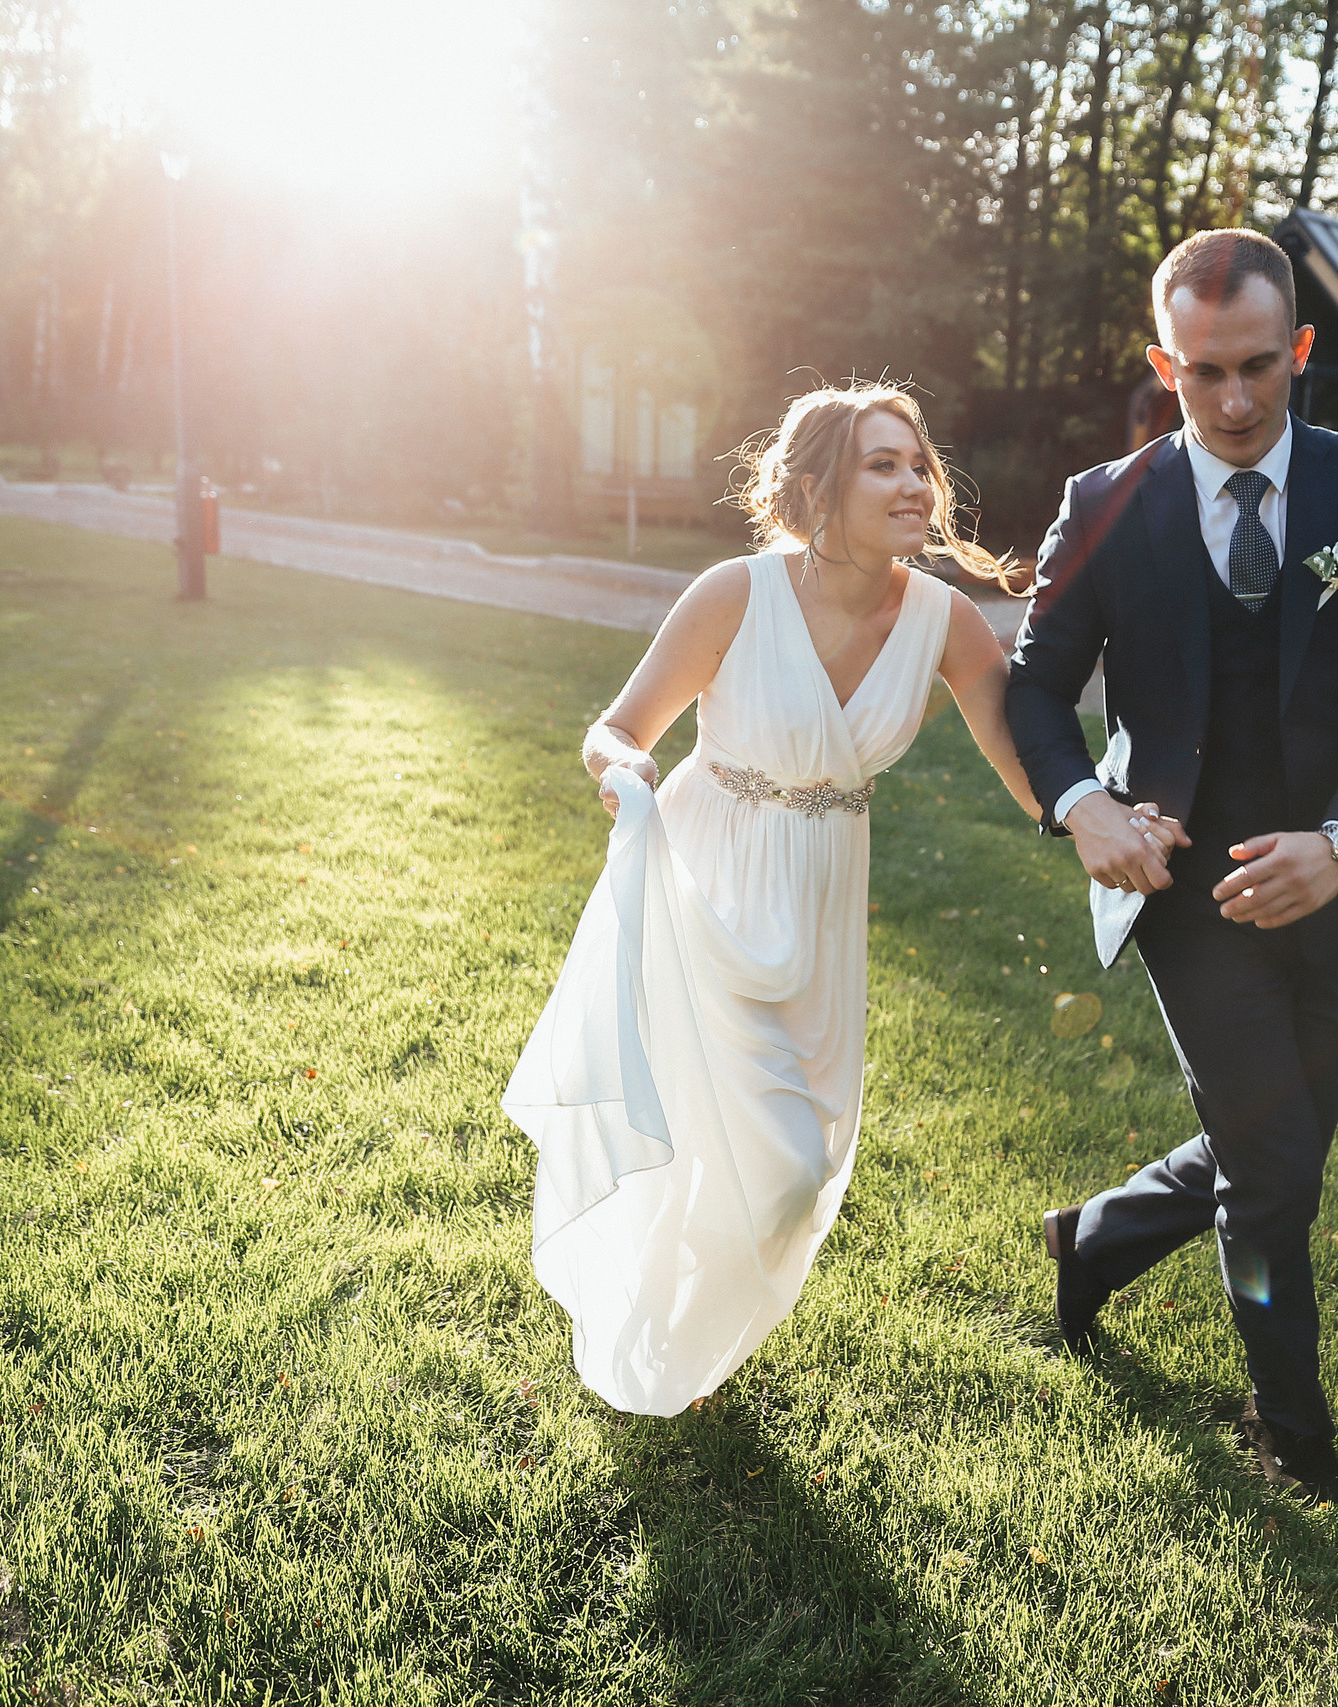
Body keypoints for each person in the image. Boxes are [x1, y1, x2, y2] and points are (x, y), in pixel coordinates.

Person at [501, 383, 1179, 1416]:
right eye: (882, 465)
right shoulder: (735, 594)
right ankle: (664, 1345)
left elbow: (1032, 771)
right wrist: (620, 769)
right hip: (705, 888)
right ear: (818, 488)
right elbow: (619, 726)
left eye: (918, 465)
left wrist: (1110, 818)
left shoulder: (946, 622)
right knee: (752, 1155)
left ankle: (687, 1325)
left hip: (818, 909)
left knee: (793, 1165)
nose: (914, 484)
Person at [1006, 229, 1338, 1503]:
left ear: (1298, 349)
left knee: (1283, 1145)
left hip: (1327, 885)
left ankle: (1091, 1242)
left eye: (1258, 365)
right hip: (1184, 893)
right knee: (1272, 1172)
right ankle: (1293, 1435)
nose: (1235, 399)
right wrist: (1082, 805)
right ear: (1165, 364)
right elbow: (1035, 690)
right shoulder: (1106, 503)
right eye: (1203, 372)